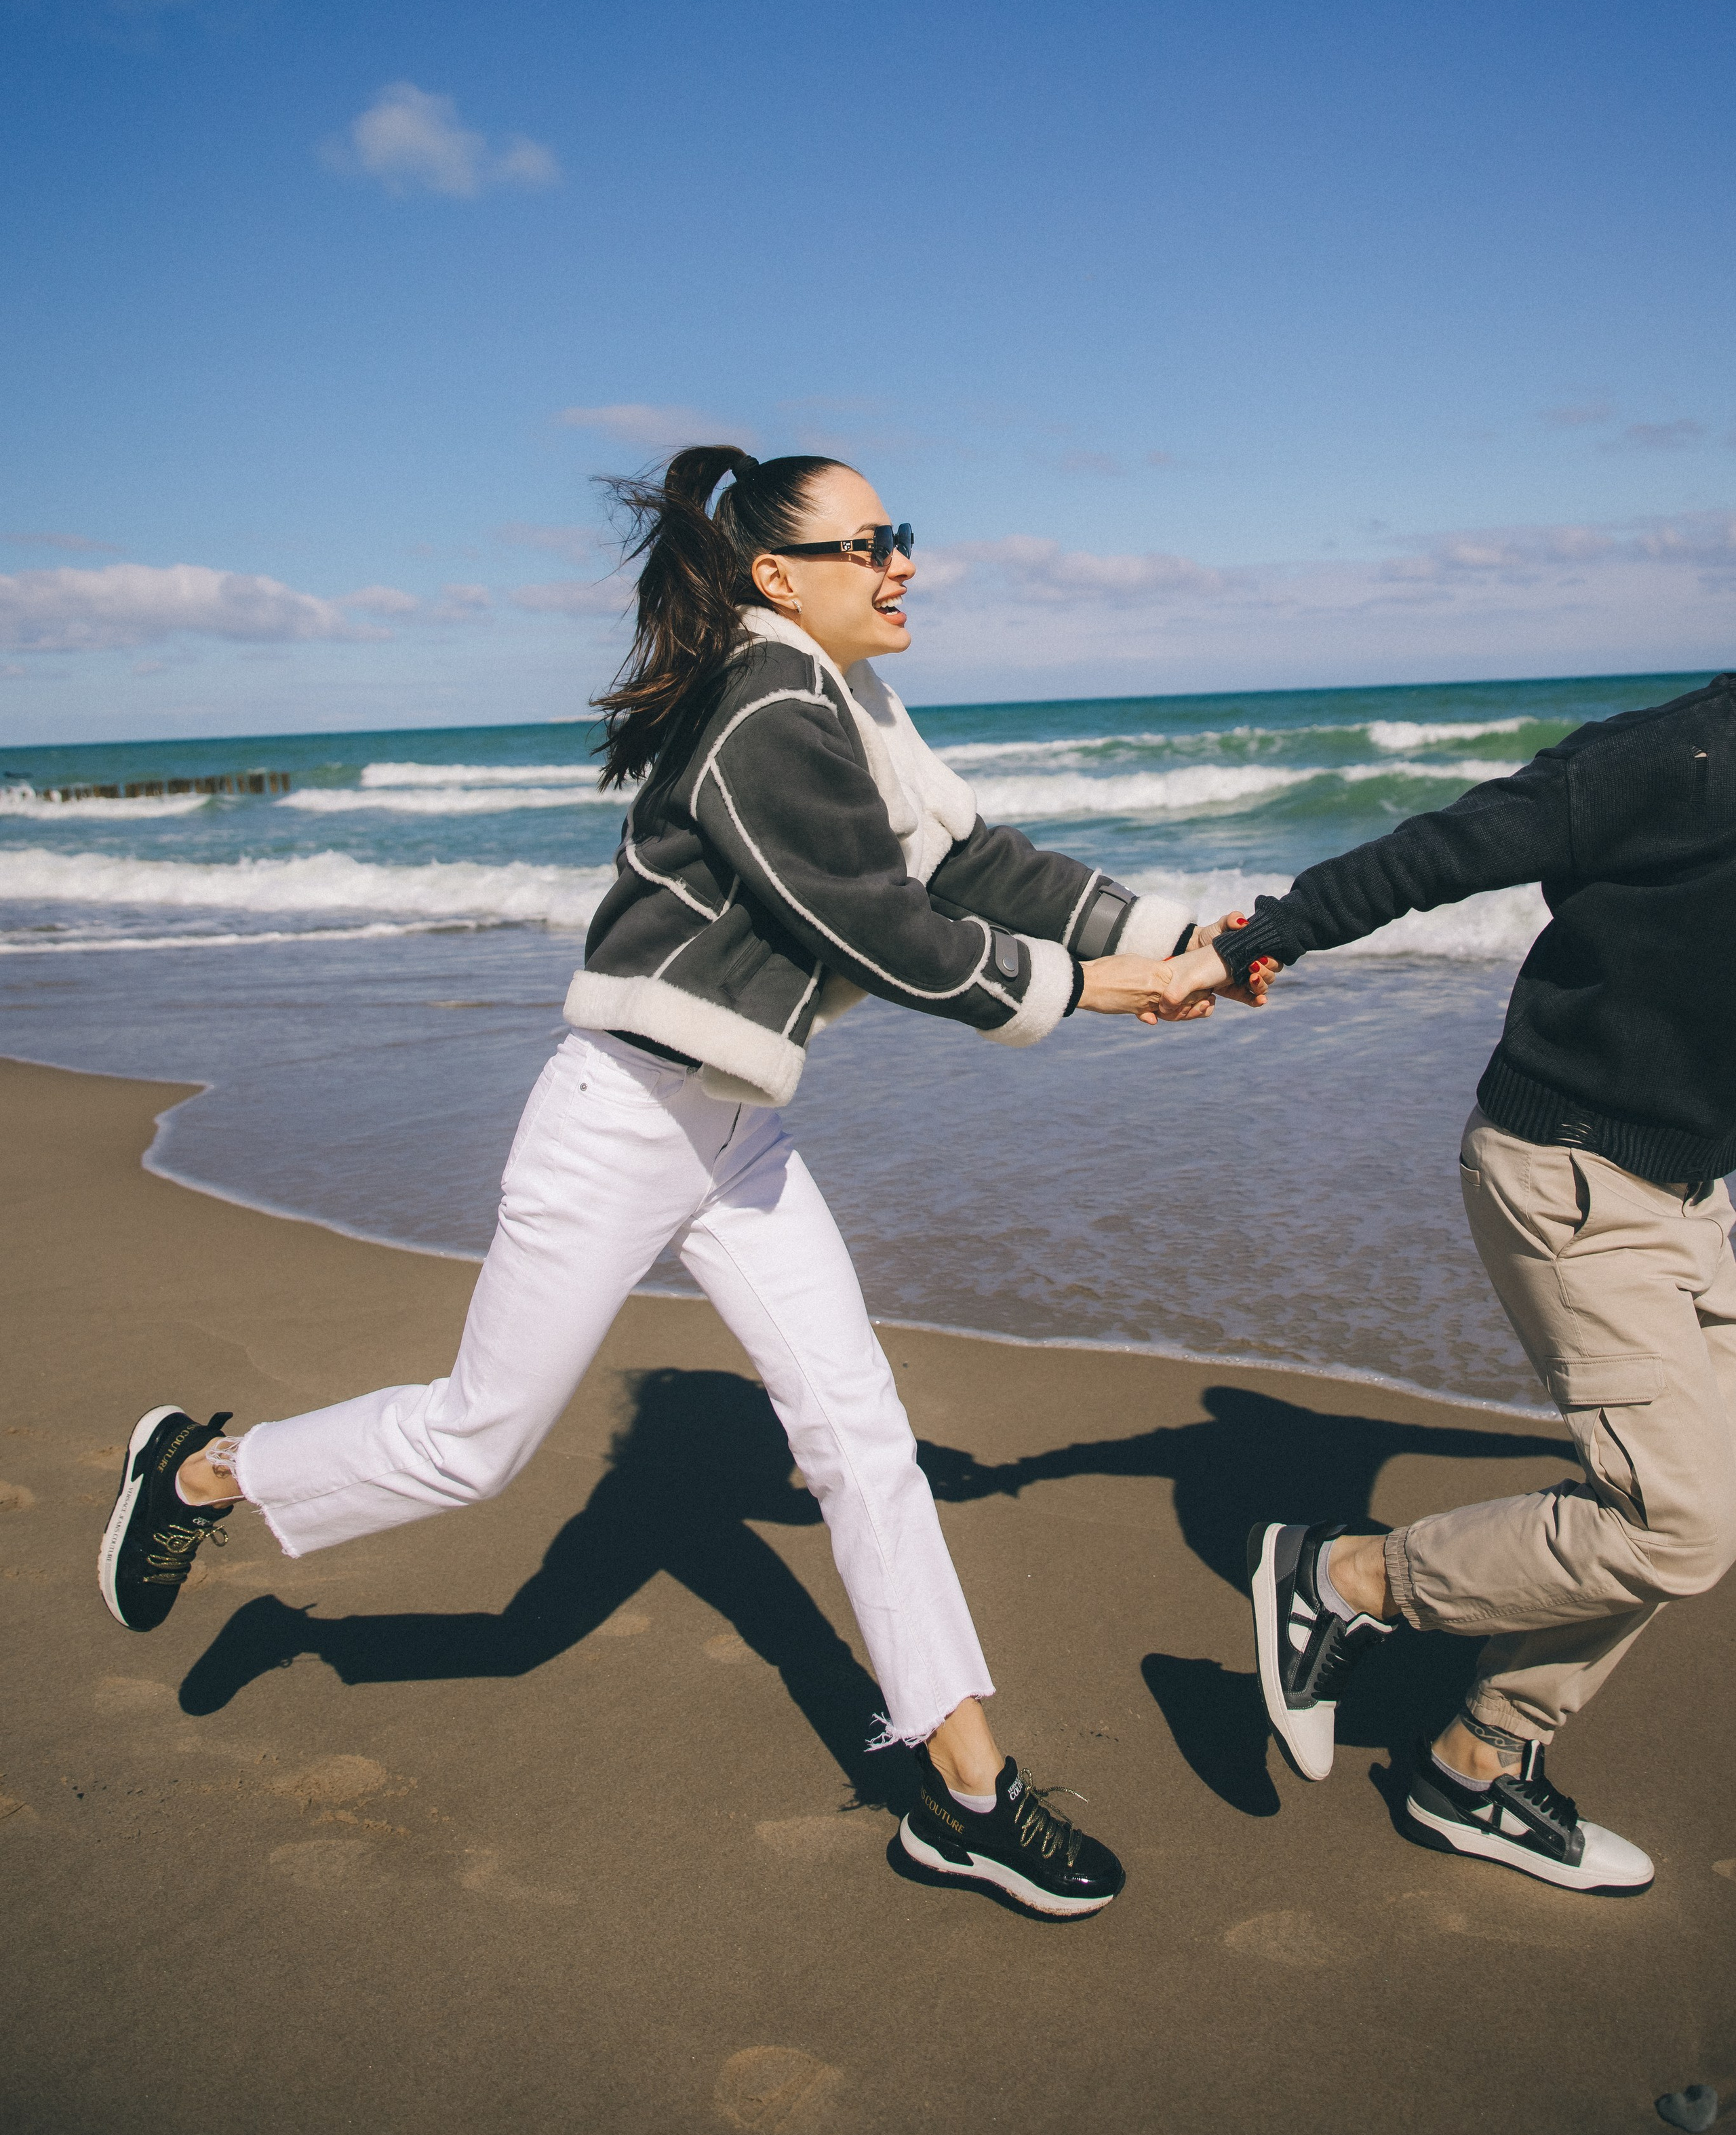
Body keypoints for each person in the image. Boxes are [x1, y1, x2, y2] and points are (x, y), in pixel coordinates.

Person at [98, 444, 1253, 1919]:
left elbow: (970, 861)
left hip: (733, 1130)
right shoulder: (761, 706)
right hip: (621, 1117)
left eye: (902, 533)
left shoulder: (850, 704)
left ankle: (966, 1794)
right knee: (474, 1447)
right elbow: (875, 923)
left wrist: (1184, 932)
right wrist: (1101, 988)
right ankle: (199, 1469)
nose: (902, 560)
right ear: (778, 577)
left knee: (863, 1440)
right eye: (868, 542)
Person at [1162, 673, 1736, 1895]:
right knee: (1674, 1523)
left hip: (1696, 1196)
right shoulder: (1677, 756)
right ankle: (1343, 1578)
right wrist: (1258, 939)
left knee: (1699, 1494)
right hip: (1574, 1175)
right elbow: (1444, 847)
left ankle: (1474, 1765)